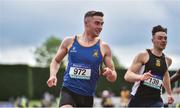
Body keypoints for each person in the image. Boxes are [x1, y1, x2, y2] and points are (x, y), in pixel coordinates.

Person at [47, 10, 117, 107]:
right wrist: (53, 75)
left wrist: (110, 73)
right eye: (97, 23)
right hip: (69, 90)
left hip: (87, 96)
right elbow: (56, 60)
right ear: (86, 23)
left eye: (102, 24)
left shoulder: (104, 47)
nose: (100, 27)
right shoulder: (70, 42)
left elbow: (113, 77)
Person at [124, 25, 174, 107]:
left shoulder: (167, 60)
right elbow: (127, 76)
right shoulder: (143, 55)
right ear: (153, 40)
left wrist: (169, 93)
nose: (163, 40)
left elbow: (165, 75)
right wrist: (141, 77)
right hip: (138, 99)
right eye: (160, 38)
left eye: (165, 38)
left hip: (156, 100)